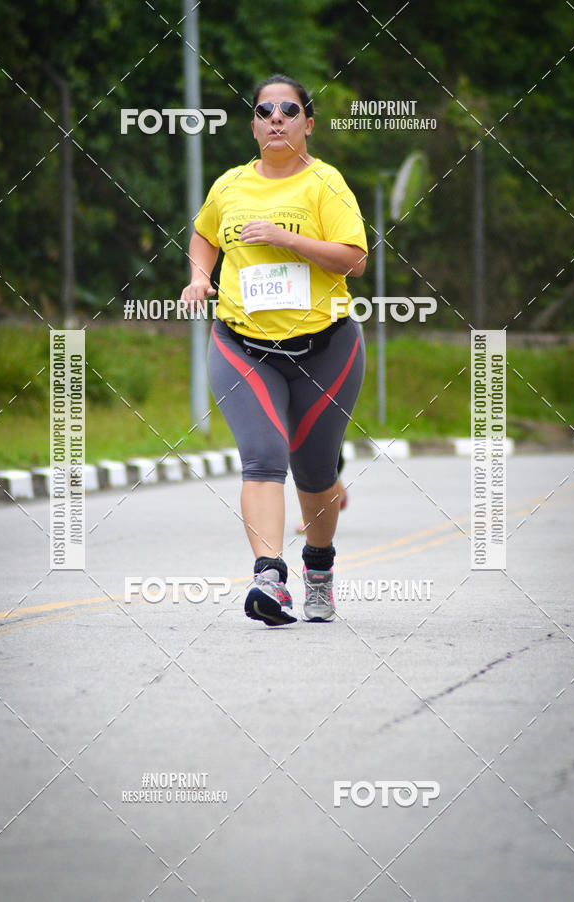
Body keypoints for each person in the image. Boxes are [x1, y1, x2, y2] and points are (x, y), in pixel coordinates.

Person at [181, 74, 367, 626]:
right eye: (265, 111)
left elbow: (353, 259)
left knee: (313, 474)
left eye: (289, 110)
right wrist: (198, 276)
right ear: (254, 125)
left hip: (326, 349)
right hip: (242, 345)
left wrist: (284, 237)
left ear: (308, 124)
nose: (276, 119)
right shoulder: (231, 185)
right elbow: (203, 236)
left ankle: (318, 572)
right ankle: (269, 578)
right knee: (263, 458)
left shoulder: (325, 184)